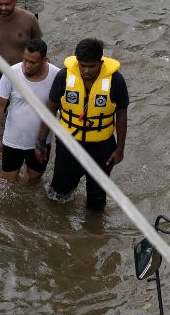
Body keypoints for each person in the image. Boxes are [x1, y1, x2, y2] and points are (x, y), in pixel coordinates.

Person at [38, 38, 129, 212]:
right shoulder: (64, 76)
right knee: (58, 195)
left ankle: (94, 233)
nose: (86, 71)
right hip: (69, 144)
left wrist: (120, 149)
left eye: (92, 66)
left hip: (102, 147)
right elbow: (50, 108)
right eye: (83, 65)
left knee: (97, 199)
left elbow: (122, 114)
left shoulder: (116, 81)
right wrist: (41, 140)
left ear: (101, 63)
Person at [0, 38, 59, 183]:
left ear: (45, 60)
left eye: (33, 62)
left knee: (34, 182)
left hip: (41, 142)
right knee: (8, 183)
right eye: (25, 60)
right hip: (12, 141)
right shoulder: (12, 72)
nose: (27, 66)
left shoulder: (57, 76)